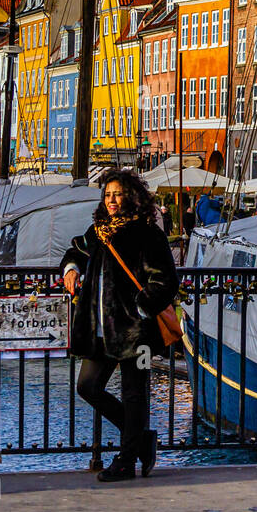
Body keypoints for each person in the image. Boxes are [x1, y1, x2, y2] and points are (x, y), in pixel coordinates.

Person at [62, 169, 177, 482]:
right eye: (107, 194)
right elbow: (75, 250)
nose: (111, 200)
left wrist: (141, 307)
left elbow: (165, 279)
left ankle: (127, 461)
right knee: (87, 386)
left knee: (134, 394)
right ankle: (141, 440)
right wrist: (72, 268)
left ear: (131, 196)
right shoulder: (98, 231)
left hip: (135, 331)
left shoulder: (146, 232)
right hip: (99, 328)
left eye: (117, 194)